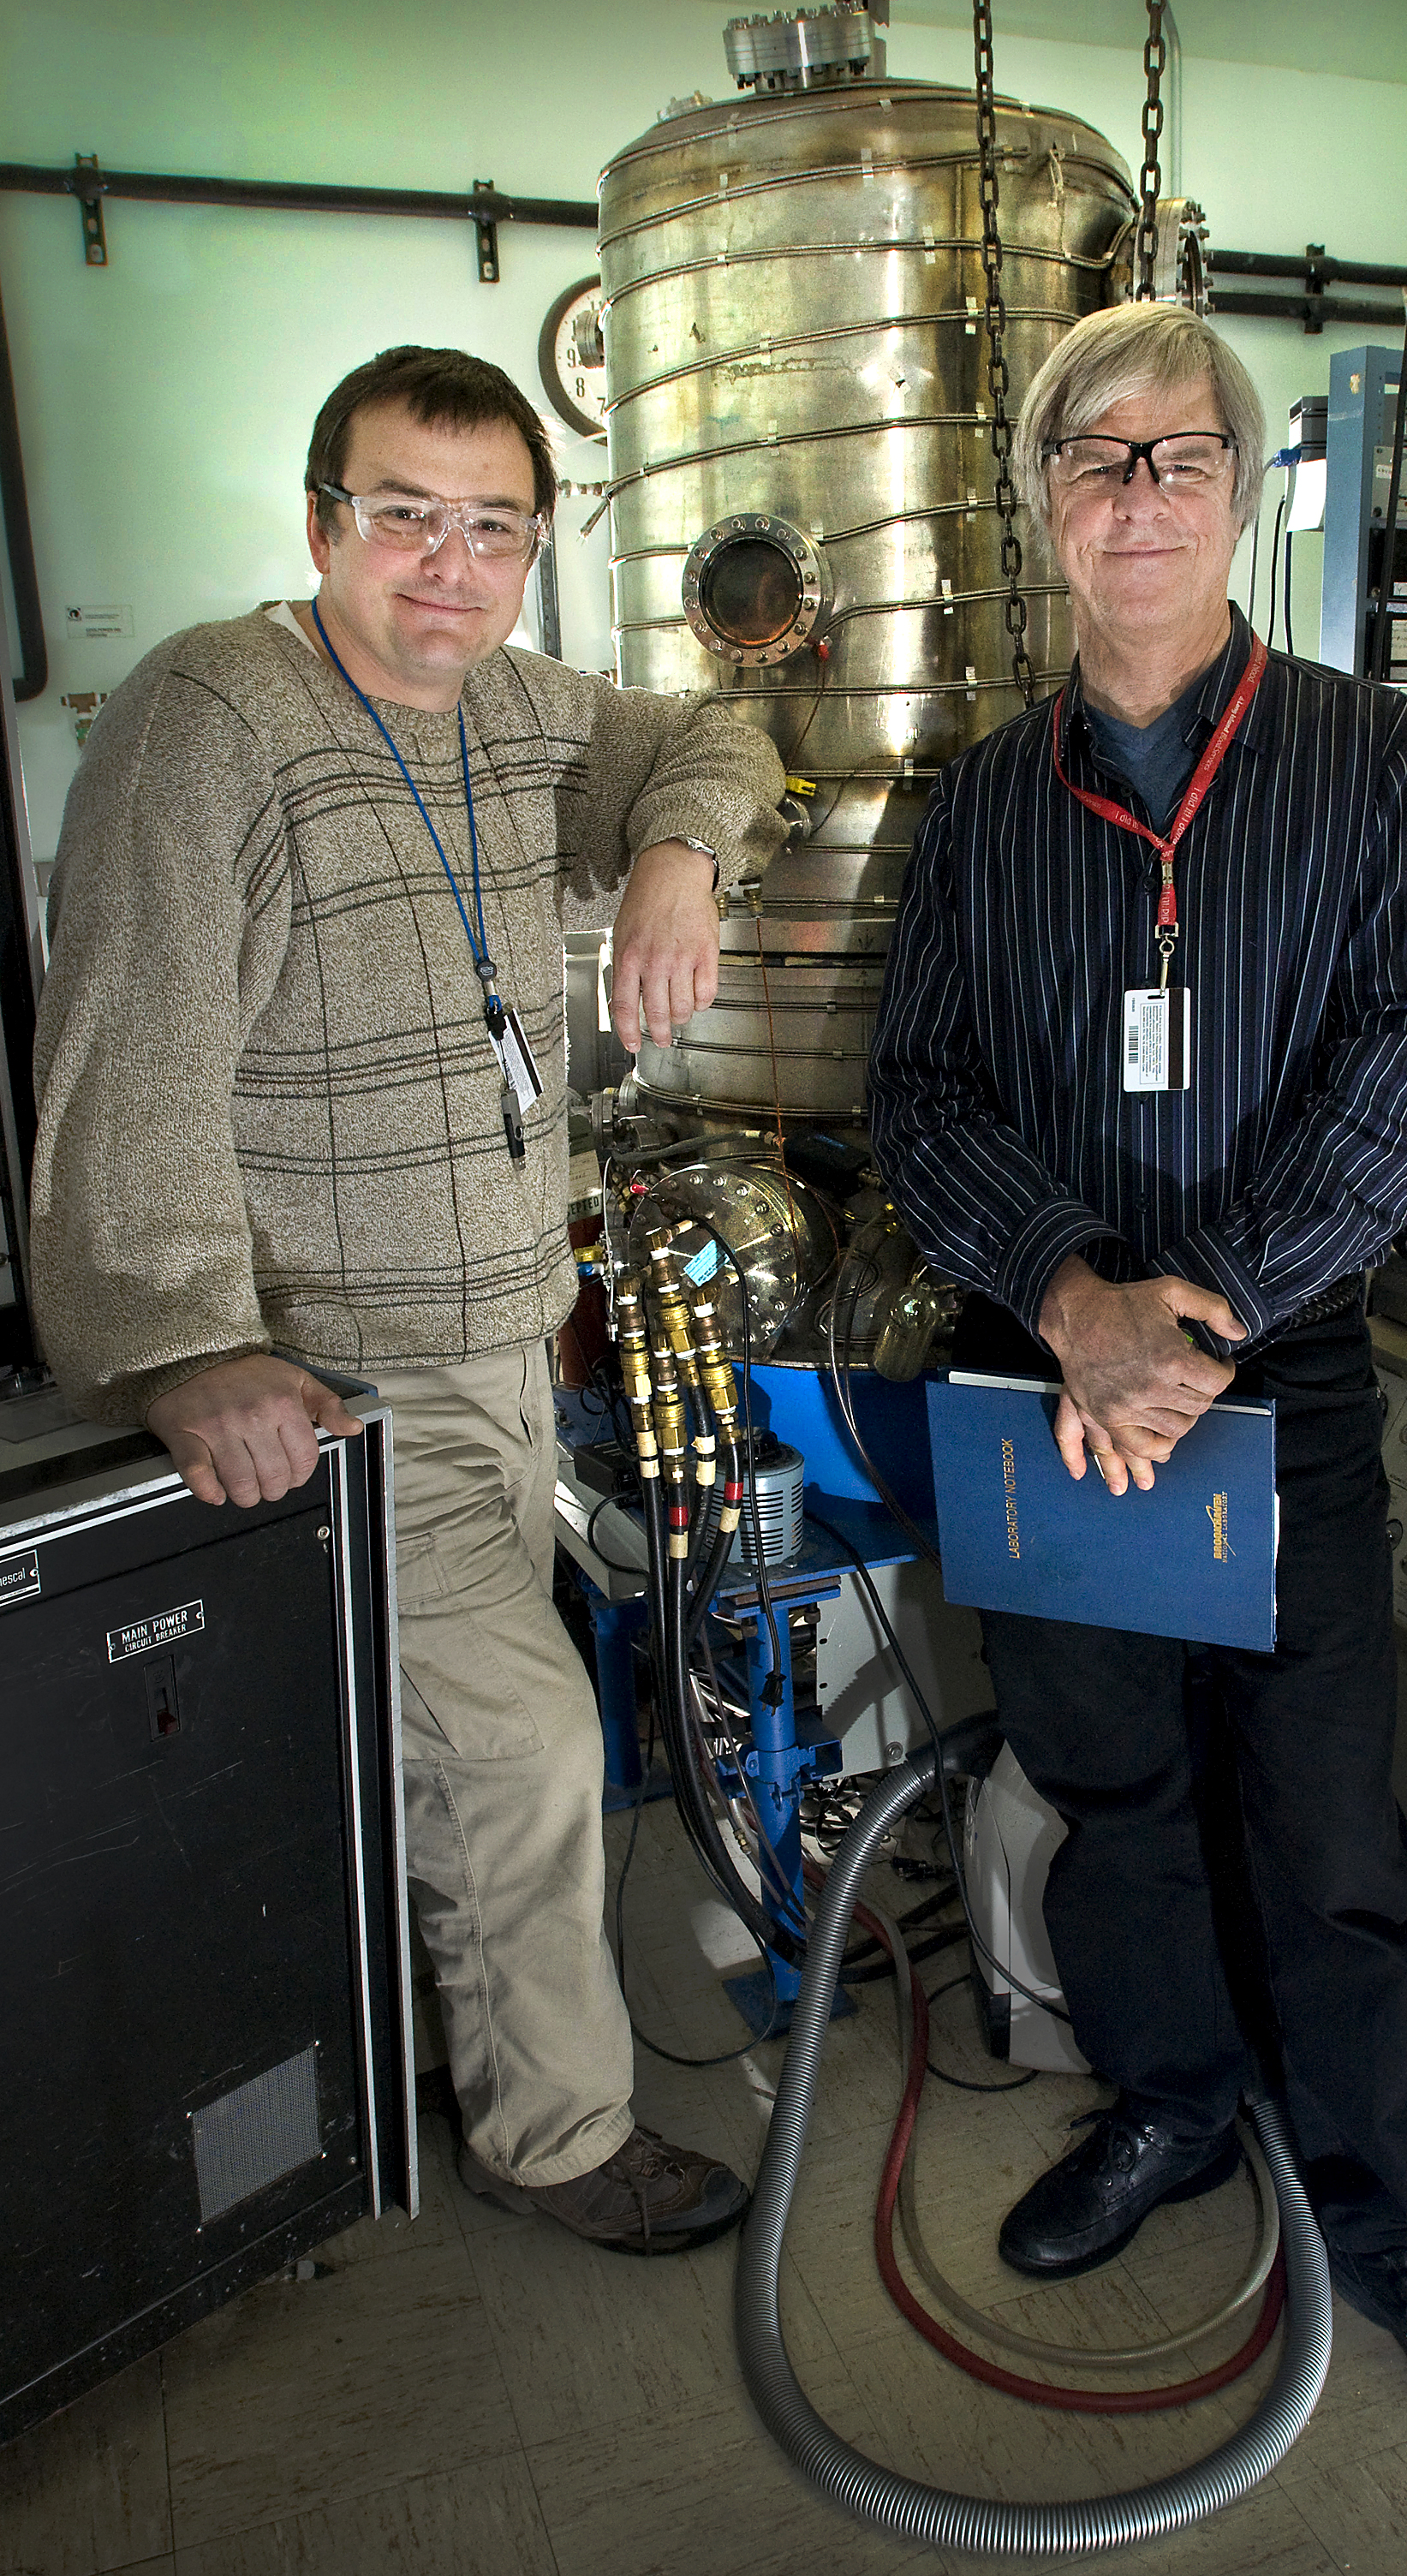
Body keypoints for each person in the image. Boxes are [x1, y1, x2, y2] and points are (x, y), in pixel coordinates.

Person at [867, 302, 1407, 2451]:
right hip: (1046, 1387)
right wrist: (1073, 1297)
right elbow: (921, 1092)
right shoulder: (982, 803)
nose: (1137, 495)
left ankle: (1387, 2207)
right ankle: (1169, 2105)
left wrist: (1198, 1314)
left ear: (1241, 492)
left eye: (1178, 456)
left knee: (1322, 1815)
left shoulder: (1370, 763)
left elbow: (1392, 1074)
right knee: (1114, 1794)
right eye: (1095, 461)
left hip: (1281, 1390)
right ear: (1043, 510)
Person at [32, 343, 789, 2257]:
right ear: (320, 523)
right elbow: (128, 1053)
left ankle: (456, 2027)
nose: (448, 569)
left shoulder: (524, 709)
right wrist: (189, 1338)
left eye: (495, 531)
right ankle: (553, 2134)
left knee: (460, 1749)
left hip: (506, 1341)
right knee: (524, 1747)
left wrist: (680, 861)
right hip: (344, 1368)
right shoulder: (210, 715)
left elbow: (718, 737)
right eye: (404, 518)